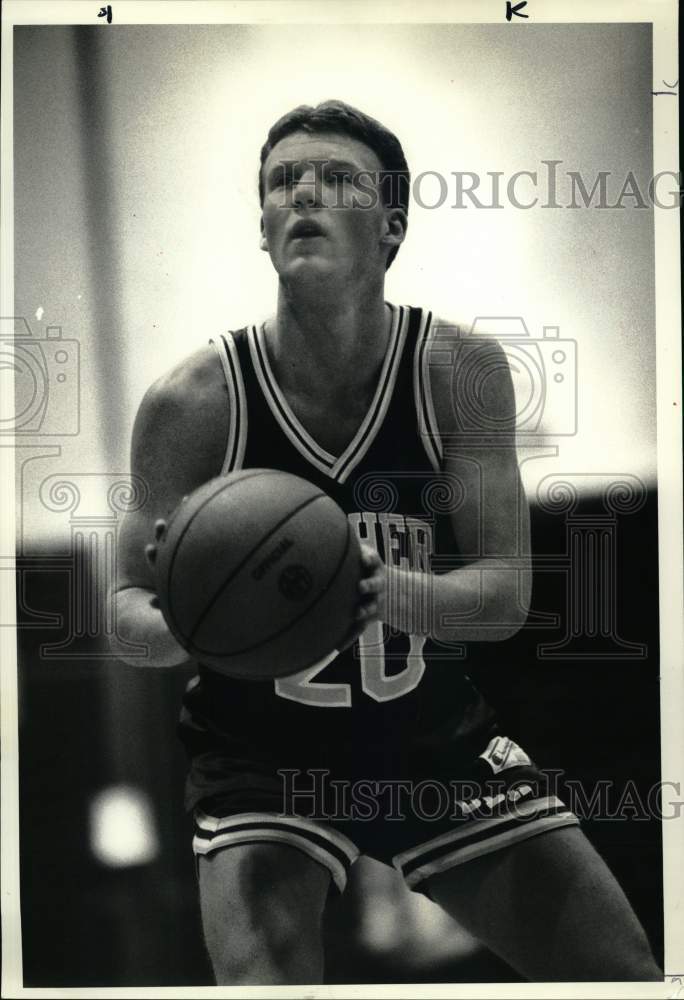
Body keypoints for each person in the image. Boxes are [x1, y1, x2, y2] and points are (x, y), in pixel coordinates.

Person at [112, 100, 661, 984]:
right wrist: (192, 614)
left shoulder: (459, 372)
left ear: (392, 225)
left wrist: (384, 590)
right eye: (282, 181)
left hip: (428, 736)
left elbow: (505, 597)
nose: (303, 193)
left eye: (337, 178)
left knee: (623, 975)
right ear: (262, 226)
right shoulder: (192, 401)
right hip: (260, 753)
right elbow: (123, 615)